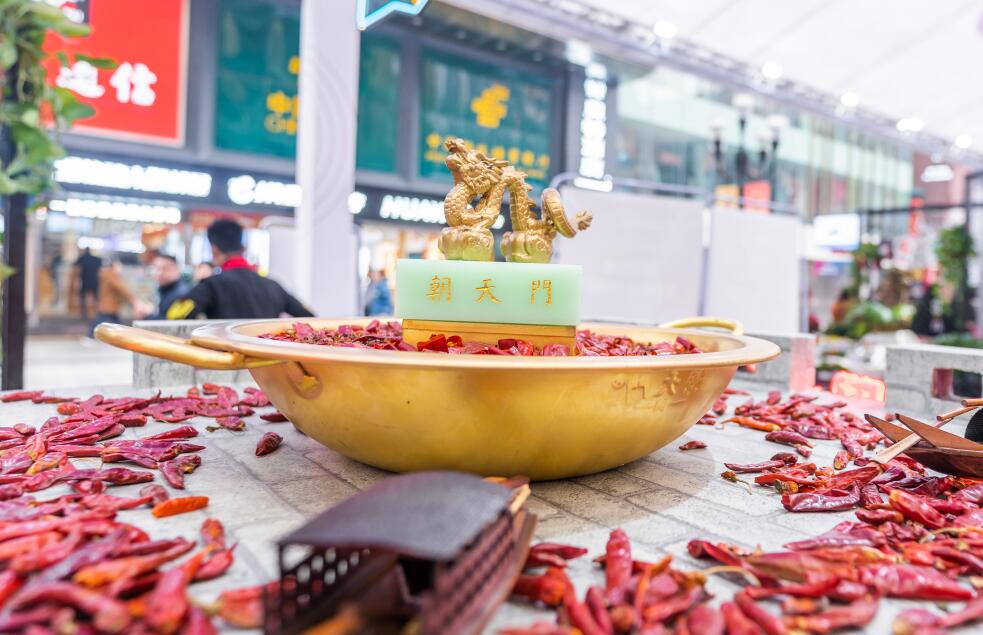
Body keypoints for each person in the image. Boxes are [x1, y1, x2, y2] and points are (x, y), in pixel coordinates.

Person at [167, 219, 314, 320]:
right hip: (266, 356)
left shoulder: (212, 285)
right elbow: (310, 317)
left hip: (226, 356)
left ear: (214, 249)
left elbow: (175, 315)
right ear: (243, 249)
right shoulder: (273, 285)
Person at [91, 258, 150, 335]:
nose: (121, 268)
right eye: (120, 266)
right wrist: (133, 298)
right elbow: (121, 288)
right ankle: (92, 334)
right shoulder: (111, 274)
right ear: (115, 265)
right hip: (109, 306)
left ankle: (92, 334)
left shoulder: (107, 273)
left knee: (105, 322)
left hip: (106, 305)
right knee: (107, 323)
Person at [147, 253, 191, 320]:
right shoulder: (164, 288)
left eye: (165, 268)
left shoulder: (181, 294)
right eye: (157, 268)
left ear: (177, 269)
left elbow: (171, 323)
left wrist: (147, 315)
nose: (160, 273)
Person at [74, 247, 101, 319]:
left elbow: (75, 265)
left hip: (85, 280)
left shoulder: (82, 258)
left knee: (83, 296)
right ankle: (97, 312)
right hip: (95, 280)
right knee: (96, 297)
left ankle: (83, 312)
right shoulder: (97, 259)